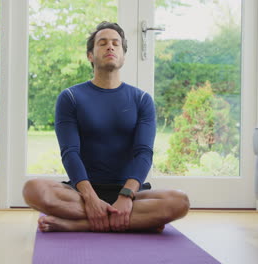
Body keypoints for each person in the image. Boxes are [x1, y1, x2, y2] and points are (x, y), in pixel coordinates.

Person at [23, 22, 189, 233]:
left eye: (115, 44)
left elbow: (144, 153)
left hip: (129, 194)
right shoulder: (71, 97)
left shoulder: (142, 100)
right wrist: (91, 199)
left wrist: (126, 196)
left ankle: (79, 224)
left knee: (179, 202)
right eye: (102, 43)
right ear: (90, 56)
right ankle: (132, 222)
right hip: (82, 193)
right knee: (33, 190)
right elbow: (70, 153)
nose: (110, 47)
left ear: (123, 56)